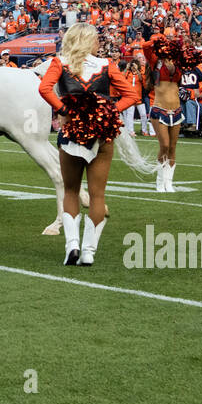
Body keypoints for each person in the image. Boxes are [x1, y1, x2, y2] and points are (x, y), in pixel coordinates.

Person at [38, 22, 141, 266]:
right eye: (95, 39)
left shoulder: (59, 63)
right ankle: (88, 252)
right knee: (97, 196)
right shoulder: (107, 65)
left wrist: (64, 109)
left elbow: (44, 88)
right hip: (101, 134)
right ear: (87, 40)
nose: (99, 43)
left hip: (72, 132)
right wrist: (109, 111)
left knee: (71, 191)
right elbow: (133, 95)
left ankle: (71, 246)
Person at [141, 26, 188, 192]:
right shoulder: (156, 61)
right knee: (165, 146)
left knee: (173, 147)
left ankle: (169, 182)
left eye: (171, 39)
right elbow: (145, 46)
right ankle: (160, 181)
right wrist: (157, 40)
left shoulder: (178, 61)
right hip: (159, 109)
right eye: (167, 40)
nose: (169, 43)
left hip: (176, 110)